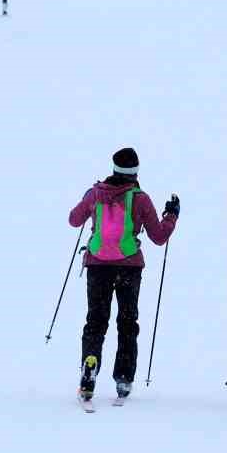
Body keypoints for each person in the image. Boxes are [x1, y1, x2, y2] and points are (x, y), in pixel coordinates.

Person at [67, 148, 179, 404]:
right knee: (127, 322)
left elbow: (74, 220)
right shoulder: (140, 198)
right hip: (129, 267)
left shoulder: (96, 193)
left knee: (96, 321)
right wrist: (171, 215)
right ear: (136, 171)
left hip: (97, 266)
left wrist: (88, 200)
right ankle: (124, 378)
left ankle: (89, 365)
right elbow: (159, 237)